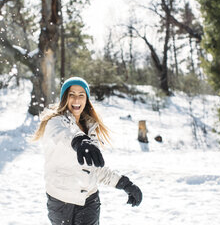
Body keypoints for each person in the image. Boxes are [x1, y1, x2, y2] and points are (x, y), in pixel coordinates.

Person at [33, 77, 142, 225]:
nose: (76, 99)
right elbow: (64, 134)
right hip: (61, 201)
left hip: (89, 200)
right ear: (65, 98)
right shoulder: (55, 122)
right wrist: (79, 141)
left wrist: (124, 184)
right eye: (72, 94)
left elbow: (94, 169)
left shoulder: (90, 128)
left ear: (86, 100)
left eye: (81, 95)